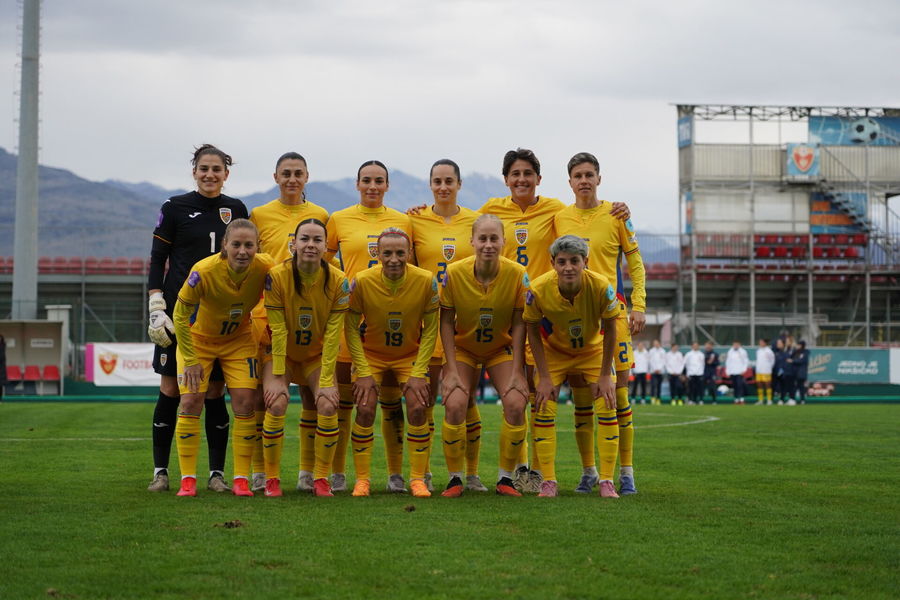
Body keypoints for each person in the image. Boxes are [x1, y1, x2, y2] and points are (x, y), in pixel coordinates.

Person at [478, 148, 631, 493]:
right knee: (528, 394)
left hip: (549, 309)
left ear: (539, 179)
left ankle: (536, 473)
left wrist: (618, 208)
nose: (521, 180)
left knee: (539, 393)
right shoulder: (490, 210)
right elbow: (463, 225)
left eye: (527, 174)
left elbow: (587, 212)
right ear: (506, 179)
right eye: (515, 174)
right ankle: (524, 470)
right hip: (507, 306)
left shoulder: (555, 210)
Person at [146, 144, 249, 493]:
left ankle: (215, 475)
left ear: (226, 174)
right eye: (204, 168)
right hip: (180, 315)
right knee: (172, 388)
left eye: (216, 169)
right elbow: (158, 256)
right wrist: (156, 303)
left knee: (213, 391)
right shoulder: (174, 207)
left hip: (220, 321)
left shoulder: (235, 210)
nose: (210, 174)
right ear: (194, 171)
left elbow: (247, 255)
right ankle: (161, 472)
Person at [553, 152, 646, 495]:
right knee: (581, 399)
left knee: (616, 394)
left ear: (599, 179)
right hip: (575, 317)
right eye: (578, 175)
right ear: (570, 182)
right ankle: (589, 471)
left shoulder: (616, 214)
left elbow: (635, 262)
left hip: (613, 315)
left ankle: (626, 471)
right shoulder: (558, 217)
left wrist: (639, 305)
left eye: (590, 174)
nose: (584, 180)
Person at [171, 219, 275, 497]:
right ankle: (188, 480)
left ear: (258, 247)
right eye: (237, 244)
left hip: (239, 340)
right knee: (191, 400)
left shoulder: (266, 266)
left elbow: (291, 277)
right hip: (199, 342)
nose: (243, 251)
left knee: (245, 401)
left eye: (249, 245)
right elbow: (180, 316)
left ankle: (241, 479)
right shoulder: (203, 271)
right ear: (224, 246)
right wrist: (191, 359)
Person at [326, 161, 411, 493]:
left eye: (379, 181)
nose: (372, 186)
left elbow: (411, 264)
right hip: (352, 319)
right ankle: (338, 473)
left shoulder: (404, 220)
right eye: (366, 180)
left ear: (387, 185)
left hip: (392, 323)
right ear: (357, 184)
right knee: (348, 403)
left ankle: (395, 475)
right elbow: (327, 262)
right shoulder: (339, 219)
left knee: (391, 402)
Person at [249, 152, 330, 493]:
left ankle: (307, 473)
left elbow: (330, 260)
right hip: (266, 317)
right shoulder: (259, 214)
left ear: (307, 176)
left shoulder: (322, 216)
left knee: (315, 400)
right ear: (276, 176)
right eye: (286, 173)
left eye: (298, 173)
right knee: (260, 399)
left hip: (310, 320)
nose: (292, 179)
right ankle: (258, 471)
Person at [523, 235, 621, 498]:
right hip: (554, 352)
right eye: (562, 261)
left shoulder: (601, 286)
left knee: (607, 401)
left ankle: (607, 481)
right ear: (553, 263)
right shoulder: (539, 288)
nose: (568, 267)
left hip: (592, 350)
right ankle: (549, 481)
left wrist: (604, 375)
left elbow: (611, 329)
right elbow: (532, 329)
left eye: (575, 261)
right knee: (543, 405)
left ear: (585, 262)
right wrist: (543, 375)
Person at [439, 214, 530, 497]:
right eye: (483, 239)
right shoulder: (453, 273)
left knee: (516, 403)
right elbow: (444, 320)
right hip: (464, 348)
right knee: (454, 403)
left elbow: (519, 322)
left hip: (498, 349)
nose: (488, 245)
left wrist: (518, 371)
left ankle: (505, 479)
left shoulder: (517, 274)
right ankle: (455, 478)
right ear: (472, 241)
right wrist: (451, 369)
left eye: (494, 239)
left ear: (504, 241)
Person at [345, 228, 439, 498]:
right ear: (377, 254)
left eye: (400, 252)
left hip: (409, 356)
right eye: (387, 253)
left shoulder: (426, 281)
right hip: (372, 356)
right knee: (364, 409)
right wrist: (362, 371)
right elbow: (350, 327)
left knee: (419, 408)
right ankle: (362, 480)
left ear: (409, 253)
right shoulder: (362, 281)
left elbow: (431, 328)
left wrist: (419, 372)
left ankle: (417, 479)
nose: (394, 259)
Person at [409, 159, 485, 492]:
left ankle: (471, 474)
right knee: (424, 401)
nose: (443, 186)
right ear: (430, 185)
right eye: (437, 181)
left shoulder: (475, 220)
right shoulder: (414, 220)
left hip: (463, 325)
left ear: (459, 184)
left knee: (464, 400)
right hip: (426, 323)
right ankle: (422, 474)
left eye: (449, 181)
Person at [262, 218, 348, 497]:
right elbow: (276, 328)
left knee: (327, 403)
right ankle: (272, 479)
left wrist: (326, 379)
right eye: (305, 239)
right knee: (276, 403)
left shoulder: (339, 280)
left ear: (326, 246)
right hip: (282, 353)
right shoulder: (276, 276)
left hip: (315, 354)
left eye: (317, 240)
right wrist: (277, 376)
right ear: (293, 244)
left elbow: (334, 333)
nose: (311, 245)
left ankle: (320, 478)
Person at [755, 339, 775, 405]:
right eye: (760, 342)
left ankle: (769, 400)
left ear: (765, 343)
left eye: (762, 342)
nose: (760, 343)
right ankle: (761, 400)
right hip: (759, 371)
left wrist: (768, 368)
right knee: (759, 385)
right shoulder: (758, 351)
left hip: (766, 371)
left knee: (768, 385)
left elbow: (772, 361)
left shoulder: (769, 351)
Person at [648, 339, 666, 405]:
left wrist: (659, 369)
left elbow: (664, 361)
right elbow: (650, 361)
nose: (656, 344)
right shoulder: (651, 351)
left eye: (657, 343)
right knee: (653, 385)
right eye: (655, 343)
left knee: (659, 385)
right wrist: (655, 369)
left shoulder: (663, 351)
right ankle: (652, 398)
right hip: (653, 371)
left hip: (660, 372)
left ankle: (658, 398)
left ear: (659, 343)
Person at [773, 338, 789, 404]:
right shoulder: (775, 352)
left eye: (779, 343)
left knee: (783, 386)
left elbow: (785, 363)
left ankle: (782, 399)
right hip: (775, 372)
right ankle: (773, 399)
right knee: (775, 386)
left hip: (782, 373)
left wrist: (781, 371)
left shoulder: (785, 353)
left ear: (783, 344)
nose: (778, 344)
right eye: (777, 343)